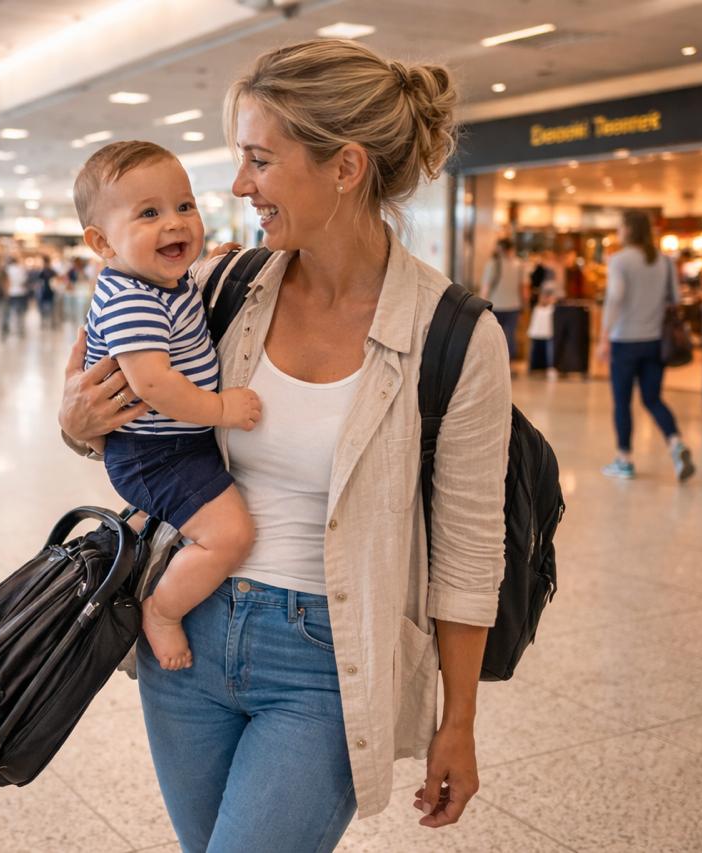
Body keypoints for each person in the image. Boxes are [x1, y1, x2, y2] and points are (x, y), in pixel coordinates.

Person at [59, 39, 508, 850]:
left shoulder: (455, 336)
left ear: (345, 167)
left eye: (260, 160)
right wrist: (77, 425)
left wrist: (459, 719)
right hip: (186, 633)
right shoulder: (220, 286)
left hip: (329, 664)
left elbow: (471, 551)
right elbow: (106, 406)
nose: (237, 187)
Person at [75, 140, 261, 670]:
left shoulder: (165, 284)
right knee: (229, 537)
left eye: (185, 206)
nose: (175, 223)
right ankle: (162, 611)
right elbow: (153, 383)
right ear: (103, 242)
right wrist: (222, 409)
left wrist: (213, 265)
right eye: (149, 213)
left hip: (171, 446)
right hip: (156, 453)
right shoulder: (134, 298)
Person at [595, 211, 696, 482]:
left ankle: (624, 460)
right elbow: (674, 298)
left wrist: (603, 337)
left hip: (624, 341)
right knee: (652, 398)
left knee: (622, 402)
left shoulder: (619, 261)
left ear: (628, 229)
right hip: (655, 342)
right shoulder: (663, 261)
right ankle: (676, 443)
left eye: (620, 227)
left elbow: (615, 298)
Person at [480, 238, 525, 362]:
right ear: (511, 249)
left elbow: (486, 287)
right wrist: (524, 306)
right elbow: (523, 288)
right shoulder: (519, 264)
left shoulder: (492, 264)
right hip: (514, 306)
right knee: (510, 336)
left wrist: (480, 305)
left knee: (493, 335)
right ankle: (509, 364)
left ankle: (494, 361)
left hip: (494, 306)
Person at [4, 255, 29, 338]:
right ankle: (21, 329)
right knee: (21, 312)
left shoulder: (8, 270)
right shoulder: (20, 269)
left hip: (11, 293)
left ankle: (14, 329)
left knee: (12, 311)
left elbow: (6, 282)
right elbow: (24, 280)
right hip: (21, 292)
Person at [36, 254, 57, 329]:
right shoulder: (43, 272)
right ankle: (44, 322)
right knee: (43, 308)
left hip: (49, 291)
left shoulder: (50, 271)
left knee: (50, 308)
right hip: (44, 292)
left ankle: (50, 322)